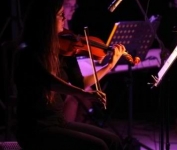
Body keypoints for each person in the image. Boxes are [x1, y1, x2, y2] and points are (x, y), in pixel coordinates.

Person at [13, 0, 125, 149]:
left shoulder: (62, 51)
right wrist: (85, 95)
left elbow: (81, 82)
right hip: (36, 128)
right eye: (60, 15)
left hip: (58, 122)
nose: (64, 19)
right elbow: (50, 82)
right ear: (46, 19)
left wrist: (109, 65)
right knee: (98, 146)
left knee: (114, 141)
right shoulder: (27, 52)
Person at [61, 0, 124, 123]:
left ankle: (80, 134)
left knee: (88, 95)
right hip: (55, 89)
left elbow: (80, 82)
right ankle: (66, 135)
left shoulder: (67, 33)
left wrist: (109, 65)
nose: (73, 10)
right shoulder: (53, 39)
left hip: (69, 79)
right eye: (69, 5)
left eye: (75, 6)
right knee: (76, 96)